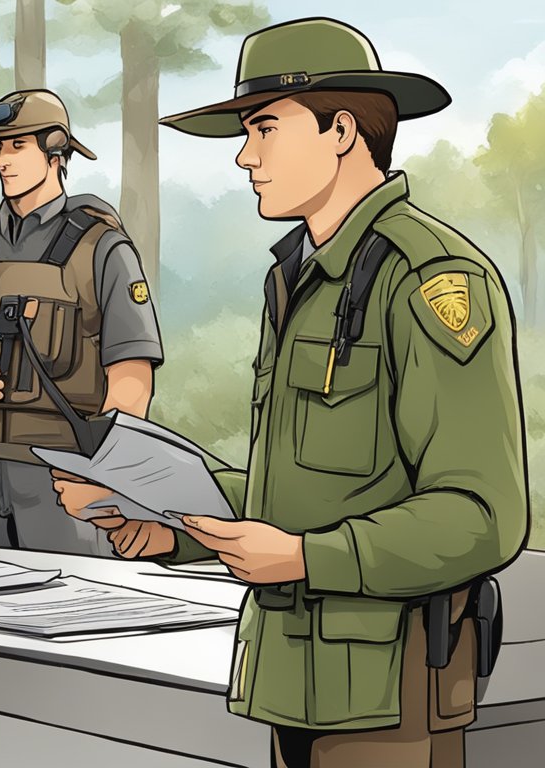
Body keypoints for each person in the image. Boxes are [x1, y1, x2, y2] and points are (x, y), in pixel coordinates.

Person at [52, 18, 528, 767]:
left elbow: (482, 516)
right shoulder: (296, 278)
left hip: (390, 690)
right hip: (293, 681)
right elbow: (303, 491)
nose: (245, 156)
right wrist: (172, 528)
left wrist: (307, 559)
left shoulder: (431, 279)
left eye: (265, 128)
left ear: (343, 131)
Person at [0, 89, 163, 556]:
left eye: (17, 146)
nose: (2, 159)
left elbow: (131, 380)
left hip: (63, 478)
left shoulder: (103, 249)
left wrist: (102, 476)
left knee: (75, 610)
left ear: (57, 150)